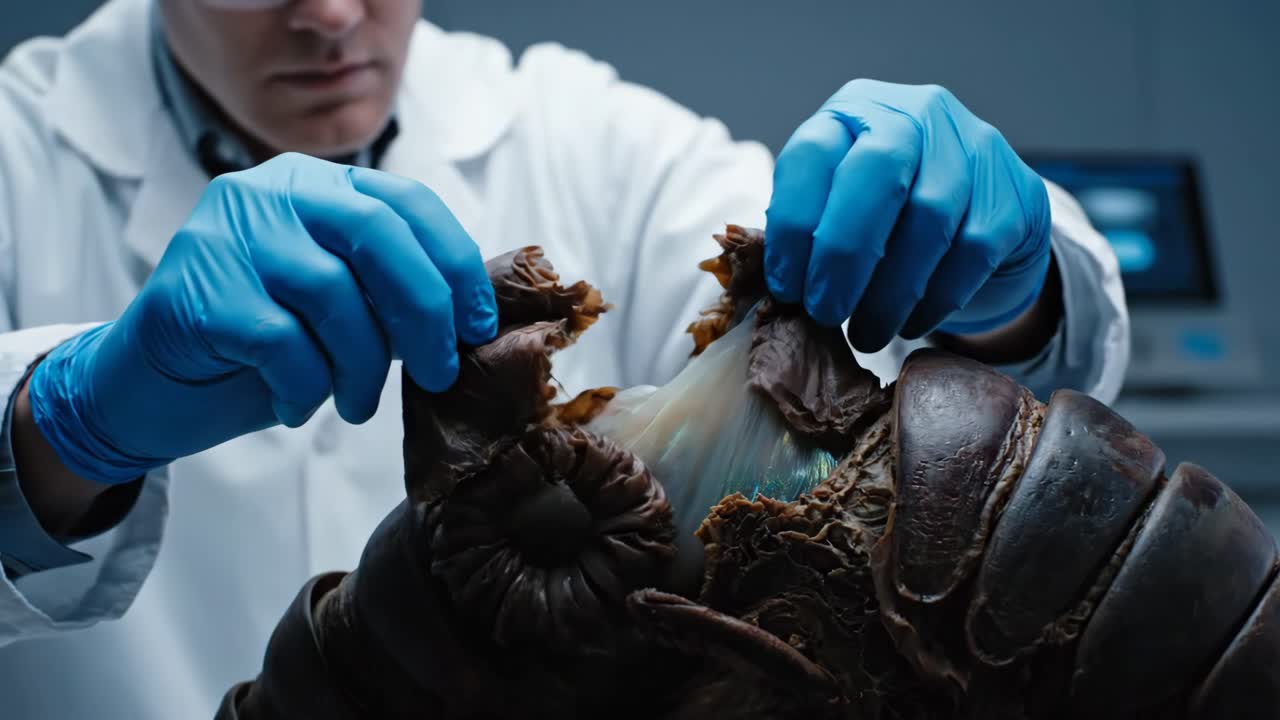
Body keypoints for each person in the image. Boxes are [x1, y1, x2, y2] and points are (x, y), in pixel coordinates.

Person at [0, 0, 1127, 716]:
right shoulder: (20, 153)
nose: (332, 16)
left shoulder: (579, 130)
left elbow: (934, 379)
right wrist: (64, 421)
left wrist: (1010, 289)